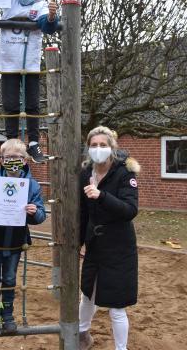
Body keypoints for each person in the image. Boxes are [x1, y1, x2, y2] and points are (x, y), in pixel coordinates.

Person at [0, 0, 60, 163]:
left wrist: (53, 16)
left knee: (32, 104)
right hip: (9, 62)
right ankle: (12, 141)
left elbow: (46, 25)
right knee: (10, 104)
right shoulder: (9, 1)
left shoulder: (40, 5)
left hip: (29, 64)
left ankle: (34, 142)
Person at [0, 138, 46, 333]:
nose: (12, 161)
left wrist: (34, 212)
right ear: (2, 160)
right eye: (7, 157)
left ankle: (8, 314)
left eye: (16, 157)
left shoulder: (31, 185)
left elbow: (40, 215)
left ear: (24, 160)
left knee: (9, 279)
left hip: (16, 241)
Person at [79, 126, 140, 350]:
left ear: (112, 147)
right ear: (88, 148)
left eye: (103, 145)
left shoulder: (125, 173)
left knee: (116, 305)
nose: (98, 149)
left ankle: (120, 348)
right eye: (94, 145)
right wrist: (79, 242)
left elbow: (130, 210)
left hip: (119, 248)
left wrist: (101, 195)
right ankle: (81, 334)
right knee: (87, 294)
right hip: (95, 245)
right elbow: (83, 212)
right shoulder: (85, 173)